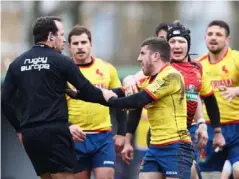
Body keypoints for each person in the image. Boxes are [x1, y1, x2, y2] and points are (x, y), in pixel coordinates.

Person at [1, 16, 114, 179]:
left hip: (31, 136)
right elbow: (88, 90)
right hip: (55, 134)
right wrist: (110, 97)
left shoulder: (17, 64)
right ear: (50, 37)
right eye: (61, 35)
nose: (64, 40)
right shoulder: (61, 61)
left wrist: (19, 129)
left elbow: (5, 101)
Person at [122, 20, 225, 179]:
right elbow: (135, 83)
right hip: (162, 134)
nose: (177, 46)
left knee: (190, 171)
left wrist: (202, 123)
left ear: (188, 45)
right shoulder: (161, 68)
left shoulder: (197, 68)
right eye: (172, 42)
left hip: (188, 132)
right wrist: (128, 79)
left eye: (181, 42)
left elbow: (195, 95)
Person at [102, 37, 194, 179]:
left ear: (156, 55)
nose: (139, 58)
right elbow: (119, 92)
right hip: (154, 148)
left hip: (176, 146)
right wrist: (80, 92)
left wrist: (112, 101)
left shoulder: (171, 76)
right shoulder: (147, 80)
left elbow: (138, 100)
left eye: (142, 53)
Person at [66, 25, 126, 179]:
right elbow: (54, 108)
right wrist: (68, 126)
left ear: (91, 44)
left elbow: (119, 102)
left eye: (84, 42)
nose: (80, 47)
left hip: (102, 137)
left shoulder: (107, 68)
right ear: (69, 47)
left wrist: (121, 133)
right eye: (76, 43)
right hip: (75, 137)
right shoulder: (63, 71)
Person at [198, 20, 239, 179]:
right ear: (205, 37)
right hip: (208, 128)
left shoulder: (235, 59)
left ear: (227, 40)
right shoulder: (199, 65)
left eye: (218, 34)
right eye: (210, 34)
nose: (213, 38)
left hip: (236, 125)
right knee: (209, 175)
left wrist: (236, 90)